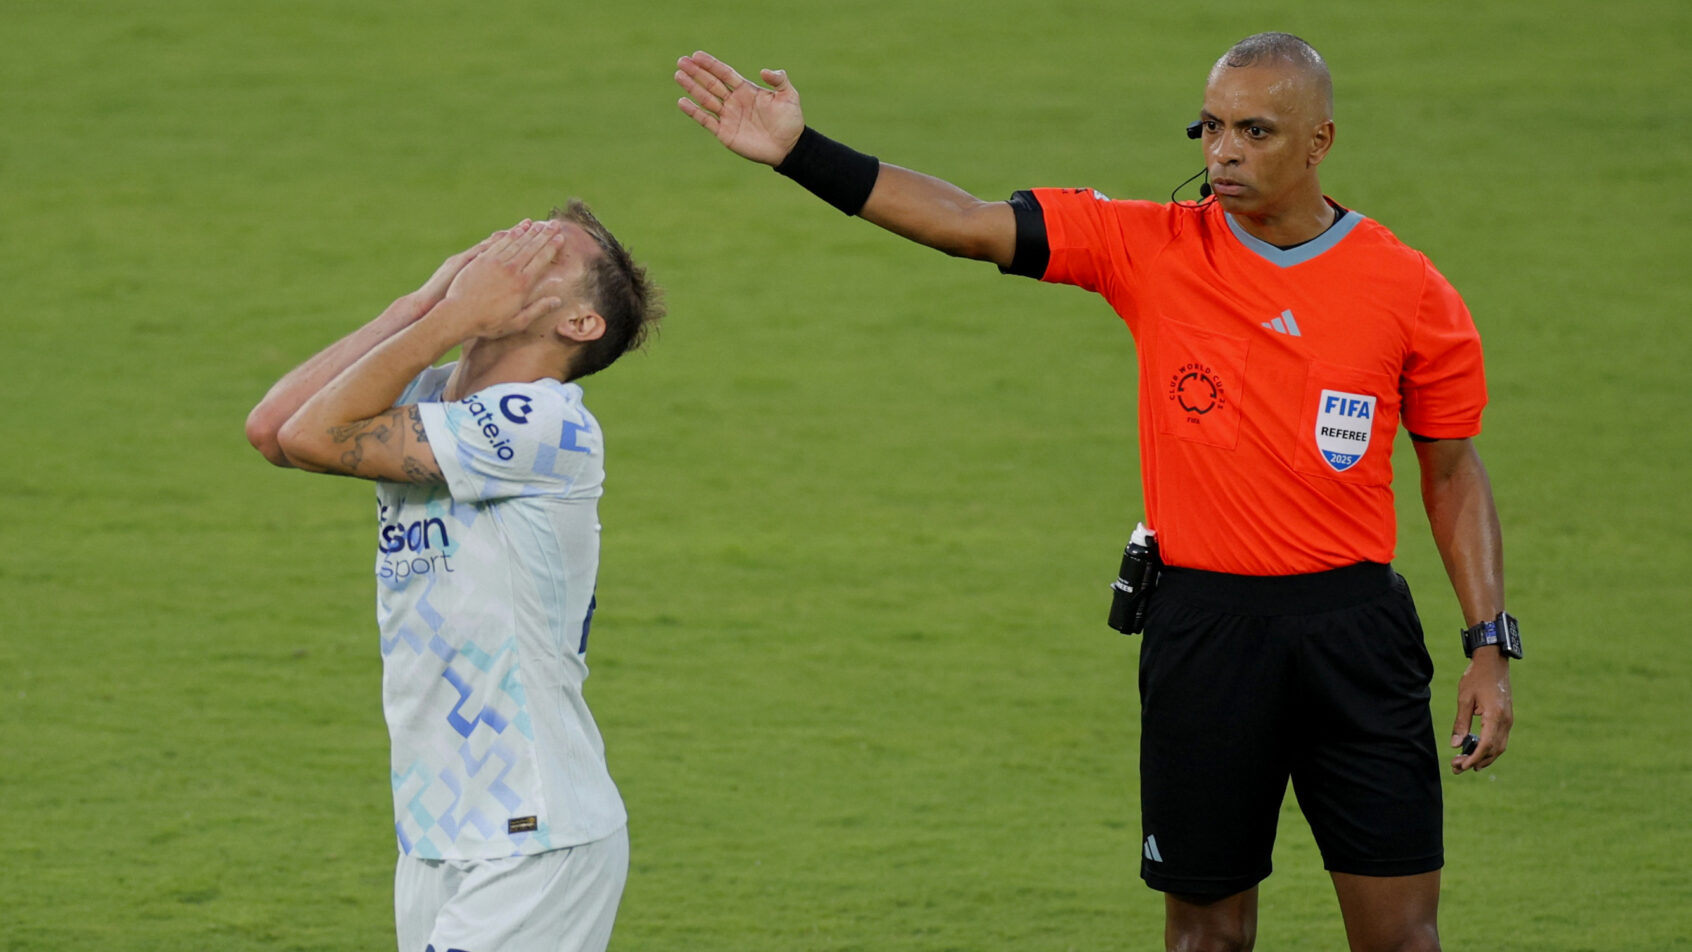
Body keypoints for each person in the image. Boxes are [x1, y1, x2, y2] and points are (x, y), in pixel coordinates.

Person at [675, 33, 1514, 952]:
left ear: (1319, 143)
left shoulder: (1406, 286)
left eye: (1256, 131)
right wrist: (802, 152)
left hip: (1356, 636)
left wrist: (1487, 644)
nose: (1223, 152)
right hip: (1204, 633)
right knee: (1206, 939)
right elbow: (965, 219)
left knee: (1402, 940)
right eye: (1212, 128)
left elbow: (1451, 469)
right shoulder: (1150, 245)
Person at [245, 202, 663, 952]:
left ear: (580, 324)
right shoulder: (428, 396)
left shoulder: (546, 424)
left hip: (533, 832)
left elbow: (312, 436)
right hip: (438, 828)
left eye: (544, 257)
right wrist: (423, 305)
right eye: (511, 240)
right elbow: (274, 430)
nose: (509, 253)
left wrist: (448, 318)